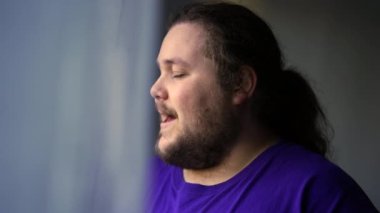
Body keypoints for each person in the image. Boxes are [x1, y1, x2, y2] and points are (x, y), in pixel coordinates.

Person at [148, 2, 378, 212]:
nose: (155, 89)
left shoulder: (316, 192)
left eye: (177, 73)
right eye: (161, 72)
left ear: (240, 84)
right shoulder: (147, 177)